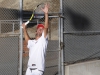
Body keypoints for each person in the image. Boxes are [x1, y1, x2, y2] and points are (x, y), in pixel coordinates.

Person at [22, 3, 49, 75]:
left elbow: (46, 27)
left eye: (42, 29)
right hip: (29, 70)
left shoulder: (43, 40)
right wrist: (24, 29)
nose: (41, 29)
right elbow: (27, 41)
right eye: (39, 29)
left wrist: (46, 14)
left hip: (38, 70)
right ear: (36, 31)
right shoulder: (32, 42)